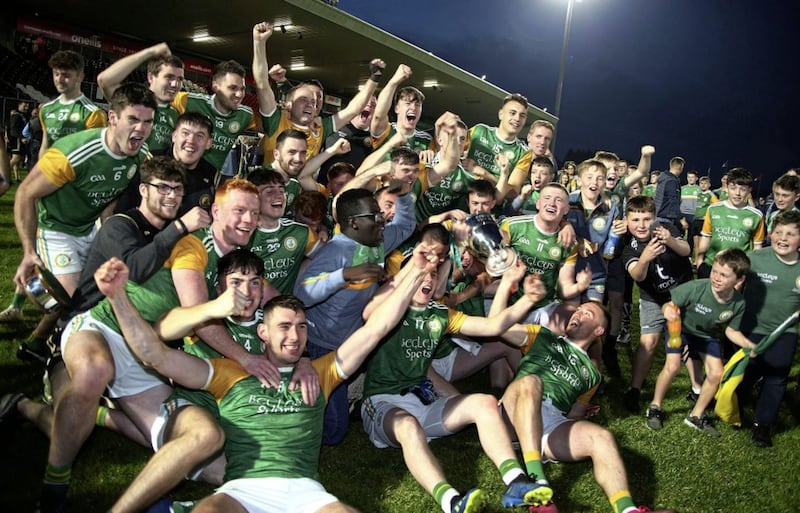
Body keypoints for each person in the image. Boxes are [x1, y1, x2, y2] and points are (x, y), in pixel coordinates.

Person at [91, 244, 438, 513]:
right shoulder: (228, 372)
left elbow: (378, 328)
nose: (295, 335)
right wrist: (118, 297)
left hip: (305, 492)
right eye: (284, 327)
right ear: (263, 333)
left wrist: (414, 273)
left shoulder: (321, 371)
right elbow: (156, 354)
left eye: (302, 327)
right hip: (241, 491)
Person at [360, 264, 555, 513]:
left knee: (484, 402)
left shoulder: (439, 314)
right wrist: (410, 269)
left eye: (432, 274)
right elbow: (368, 315)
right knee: (408, 426)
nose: (428, 278)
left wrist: (527, 299)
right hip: (383, 403)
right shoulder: (391, 311)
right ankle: (451, 501)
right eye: (421, 274)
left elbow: (492, 328)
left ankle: (515, 480)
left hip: (423, 401)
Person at [12, 83, 156, 360]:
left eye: (148, 121)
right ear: (113, 118)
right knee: (70, 296)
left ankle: (36, 344)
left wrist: (108, 232)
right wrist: (29, 252)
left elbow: (111, 197)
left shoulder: (139, 155)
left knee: (101, 290)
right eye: (133, 119)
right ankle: (60, 351)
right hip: (56, 228)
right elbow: (25, 194)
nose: (141, 128)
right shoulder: (74, 152)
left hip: (91, 227)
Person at [498, 300, 676, 513]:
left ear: (599, 330)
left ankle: (628, 510)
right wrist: (508, 284)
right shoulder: (542, 336)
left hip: (552, 422)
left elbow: (575, 415)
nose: (578, 314)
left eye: (587, 313)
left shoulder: (592, 376)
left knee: (602, 437)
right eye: (578, 310)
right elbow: (497, 326)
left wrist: (580, 431)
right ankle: (538, 484)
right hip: (513, 409)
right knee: (531, 382)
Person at [294, 185, 417, 444]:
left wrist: (404, 194)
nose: (382, 218)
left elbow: (406, 227)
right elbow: (302, 293)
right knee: (334, 432)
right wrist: (345, 275)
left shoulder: (376, 242)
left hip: (351, 343)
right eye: (374, 215)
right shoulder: (336, 251)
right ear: (353, 222)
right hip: (321, 347)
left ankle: (349, 392)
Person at [654, 248, 754, 436]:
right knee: (673, 366)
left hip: (706, 335)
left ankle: (695, 415)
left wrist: (748, 345)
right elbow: (669, 303)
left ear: (739, 280)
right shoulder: (697, 287)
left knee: (717, 373)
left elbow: (732, 331)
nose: (716, 277)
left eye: (724, 275)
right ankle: (655, 406)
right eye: (714, 271)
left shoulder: (738, 303)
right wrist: (667, 310)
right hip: (680, 329)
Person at [257, 22, 384, 164]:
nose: (311, 104)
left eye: (314, 102)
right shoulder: (276, 121)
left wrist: (374, 78)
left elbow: (353, 109)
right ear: (289, 105)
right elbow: (262, 84)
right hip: (271, 184)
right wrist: (259, 42)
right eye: (303, 100)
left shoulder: (321, 128)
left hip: (302, 186)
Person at [619, 196, 692, 414]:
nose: (641, 225)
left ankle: (699, 387)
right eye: (635, 220)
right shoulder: (628, 246)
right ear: (627, 221)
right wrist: (645, 258)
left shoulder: (665, 228)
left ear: (654, 218)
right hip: (653, 297)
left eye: (646, 219)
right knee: (648, 342)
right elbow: (637, 276)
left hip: (682, 293)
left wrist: (670, 241)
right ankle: (634, 389)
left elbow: (686, 250)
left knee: (687, 341)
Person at [739, 210, 800, 447]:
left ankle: (762, 425)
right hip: (750, 328)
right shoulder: (755, 258)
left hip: (784, 332)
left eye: (791, 234)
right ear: (770, 233)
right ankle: (736, 401)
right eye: (779, 232)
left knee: (776, 377)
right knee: (747, 371)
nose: (783, 238)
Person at [97, 43, 186, 155]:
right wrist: (149, 52)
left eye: (180, 79)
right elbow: (105, 81)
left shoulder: (176, 115)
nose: (175, 84)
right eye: (169, 77)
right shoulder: (130, 100)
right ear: (151, 77)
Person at [247, 168, 323, 294]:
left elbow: (328, 257)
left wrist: (297, 278)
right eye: (269, 191)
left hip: (283, 307)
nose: (279, 196)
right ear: (253, 197)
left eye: (282, 190)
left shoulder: (301, 232)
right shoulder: (241, 234)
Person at [695, 167, 765, 278]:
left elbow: (757, 247)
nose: (737, 193)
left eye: (742, 189)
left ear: (749, 190)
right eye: (733, 188)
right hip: (711, 265)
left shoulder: (756, 216)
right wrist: (699, 261)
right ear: (726, 188)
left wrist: (751, 270)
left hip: (737, 271)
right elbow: (706, 236)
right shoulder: (713, 209)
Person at [39, 50, 108, 157]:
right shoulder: (46, 109)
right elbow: (45, 145)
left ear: (80, 77)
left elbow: (95, 155)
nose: (59, 79)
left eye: (65, 75)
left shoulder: (93, 113)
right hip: (50, 172)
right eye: (56, 74)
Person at [467, 94, 534, 199]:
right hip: (461, 196)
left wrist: (485, 174)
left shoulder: (524, 152)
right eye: (512, 113)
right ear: (501, 114)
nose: (517, 118)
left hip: (491, 207)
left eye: (522, 116)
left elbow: (512, 193)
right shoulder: (479, 131)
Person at [691, 176, 717, 263]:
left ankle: (701, 260)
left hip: (703, 221)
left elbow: (717, 206)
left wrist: (709, 216)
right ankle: (695, 260)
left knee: (703, 244)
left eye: (705, 183)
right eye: (701, 183)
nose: (703, 185)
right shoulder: (698, 194)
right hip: (696, 220)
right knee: (696, 244)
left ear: (709, 185)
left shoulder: (710, 195)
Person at [654, 156, 684, 231]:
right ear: (680, 167)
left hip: (658, 214)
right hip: (666, 217)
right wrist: (680, 219)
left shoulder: (663, 179)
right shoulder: (671, 181)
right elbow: (673, 200)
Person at [6, 100, 29, 182]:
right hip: (16, 140)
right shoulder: (16, 116)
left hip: (18, 139)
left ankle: (17, 177)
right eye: (24, 106)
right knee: (16, 158)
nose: (26, 108)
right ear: (19, 105)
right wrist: (21, 137)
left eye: (27, 106)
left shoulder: (21, 115)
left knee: (17, 159)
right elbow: (13, 130)